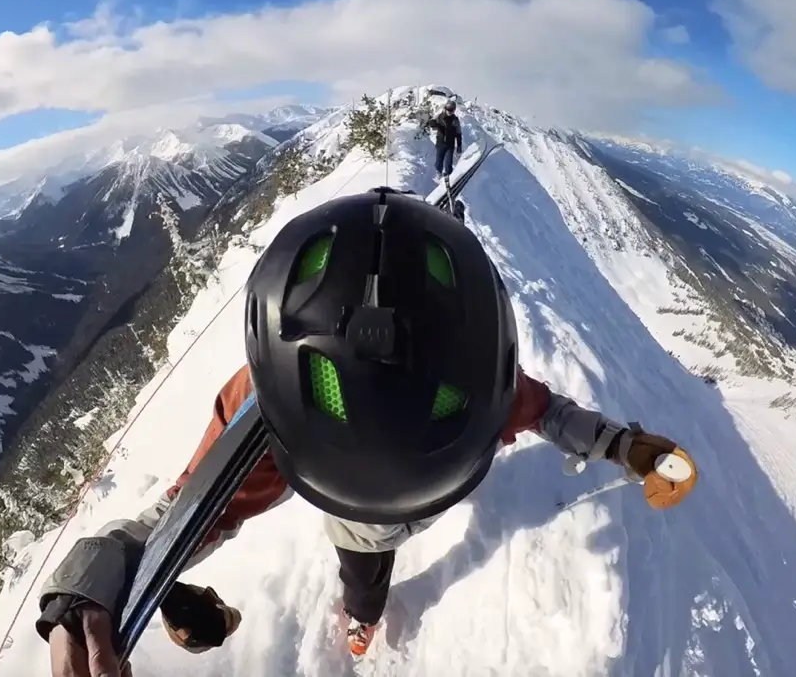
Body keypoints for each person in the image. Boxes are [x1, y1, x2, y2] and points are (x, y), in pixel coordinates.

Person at [35, 189, 698, 675]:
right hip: (368, 521)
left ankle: (361, 621)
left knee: (363, 570)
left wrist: (94, 586)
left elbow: (176, 517)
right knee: (365, 574)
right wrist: (623, 448)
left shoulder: (282, 412)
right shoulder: (464, 389)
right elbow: (554, 415)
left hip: (352, 521)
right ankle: (362, 616)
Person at [426, 99, 463, 180]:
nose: (450, 112)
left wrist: (459, 146)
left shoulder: (455, 120)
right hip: (440, 143)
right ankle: (438, 174)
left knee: (448, 163)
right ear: (445, 109)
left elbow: (458, 133)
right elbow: (432, 123)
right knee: (439, 161)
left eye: (452, 110)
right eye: (448, 110)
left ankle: (448, 177)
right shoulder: (440, 116)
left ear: (454, 110)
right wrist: (433, 124)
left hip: (450, 144)